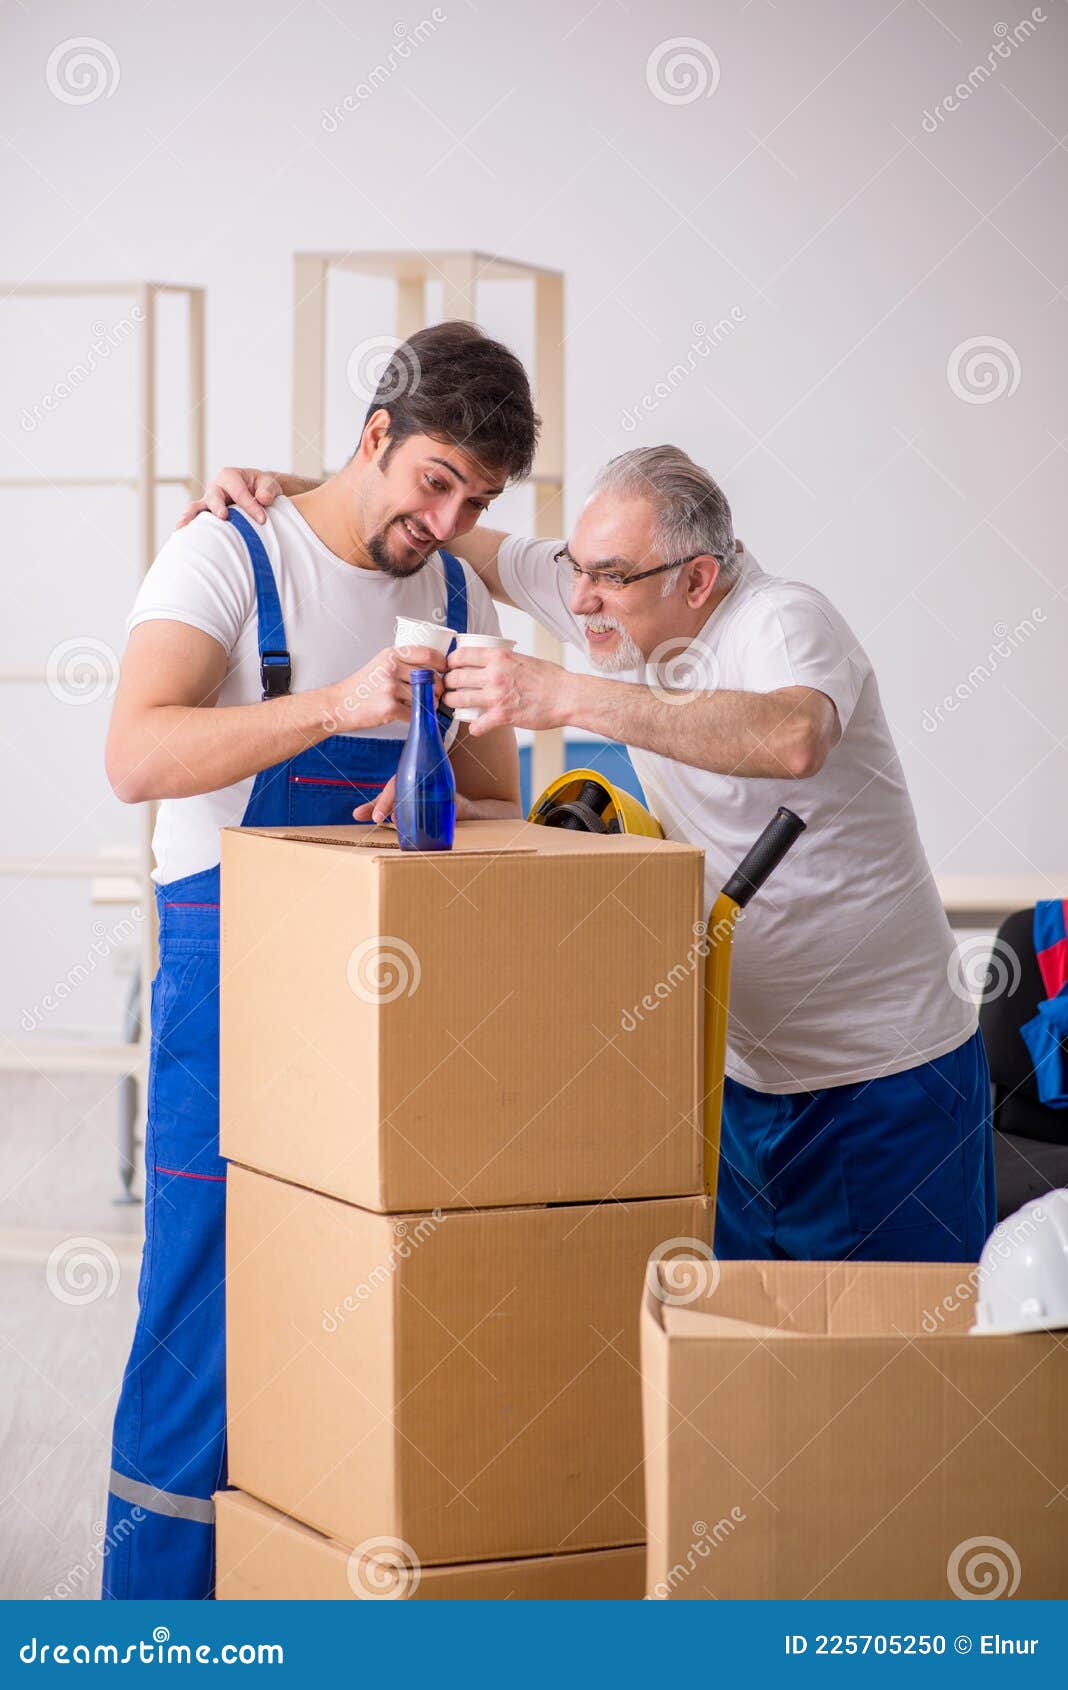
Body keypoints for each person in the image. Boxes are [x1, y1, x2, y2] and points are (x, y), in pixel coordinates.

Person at [189, 441, 995, 1269]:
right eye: (576, 567)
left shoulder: (783, 620)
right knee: (751, 1365)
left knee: (898, 1365)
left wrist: (562, 694)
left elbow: (795, 736)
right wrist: (292, 492)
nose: (581, 601)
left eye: (607, 577)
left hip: (887, 1077)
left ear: (697, 580)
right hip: (744, 1076)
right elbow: (462, 538)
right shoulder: (615, 592)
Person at [102, 321, 535, 1599]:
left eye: (479, 501)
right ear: (373, 439)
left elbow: (493, 801)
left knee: (361, 1315)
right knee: (206, 1318)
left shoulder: (453, 594)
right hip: (230, 990)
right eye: (435, 481)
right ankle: (154, 1637)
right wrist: (340, 708)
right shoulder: (227, 550)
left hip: (390, 1007)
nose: (446, 520)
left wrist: (426, 801)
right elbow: (135, 754)